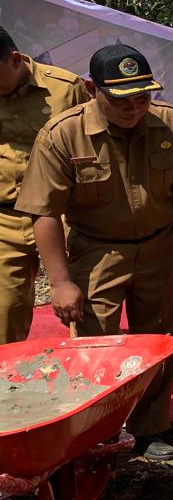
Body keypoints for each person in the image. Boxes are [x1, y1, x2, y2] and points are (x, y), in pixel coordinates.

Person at [15, 43, 173, 460]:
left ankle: (150, 428)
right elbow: (45, 213)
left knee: (158, 340)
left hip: (160, 249)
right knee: (94, 347)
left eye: (143, 97)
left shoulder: (170, 124)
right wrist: (61, 282)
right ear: (92, 89)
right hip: (96, 252)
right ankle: (98, 431)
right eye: (121, 99)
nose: (134, 108)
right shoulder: (62, 135)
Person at [0, 26, 89, 345]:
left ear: (13, 59)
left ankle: (90, 384)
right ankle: (8, 390)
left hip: (62, 215)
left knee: (82, 306)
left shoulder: (65, 89)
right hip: (5, 219)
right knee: (5, 313)